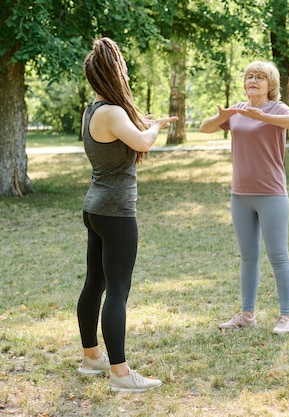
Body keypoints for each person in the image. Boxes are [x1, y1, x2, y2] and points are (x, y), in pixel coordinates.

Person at [77, 37, 178, 392]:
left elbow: (127, 136)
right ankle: (121, 375)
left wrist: (143, 124)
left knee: (95, 283)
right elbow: (143, 142)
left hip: (95, 207)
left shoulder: (94, 110)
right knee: (117, 289)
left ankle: (92, 358)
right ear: (114, 74)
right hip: (116, 211)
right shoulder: (113, 112)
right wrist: (155, 127)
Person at [200, 61, 289, 335]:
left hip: (271, 193)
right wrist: (221, 115)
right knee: (248, 257)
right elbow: (205, 128)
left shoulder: (276, 108)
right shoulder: (237, 109)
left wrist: (262, 116)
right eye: (249, 77)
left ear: (270, 85)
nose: (253, 81)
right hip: (241, 194)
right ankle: (246, 315)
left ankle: (287, 317)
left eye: (260, 77)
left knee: (278, 255)